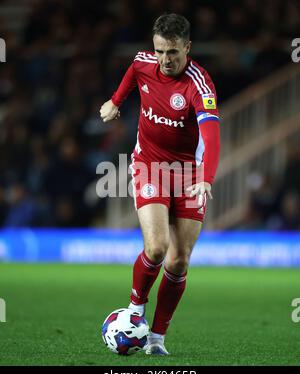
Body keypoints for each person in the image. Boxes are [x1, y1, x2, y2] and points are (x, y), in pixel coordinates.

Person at [100, 13, 220, 355]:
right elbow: (131, 75)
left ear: (188, 47)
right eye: (161, 52)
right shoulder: (143, 63)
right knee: (156, 248)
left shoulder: (200, 85)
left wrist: (206, 178)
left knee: (179, 261)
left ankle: (156, 338)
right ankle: (135, 310)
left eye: (173, 53)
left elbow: (212, 138)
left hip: (189, 174)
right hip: (150, 165)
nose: (166, 60)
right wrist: (115, 101)